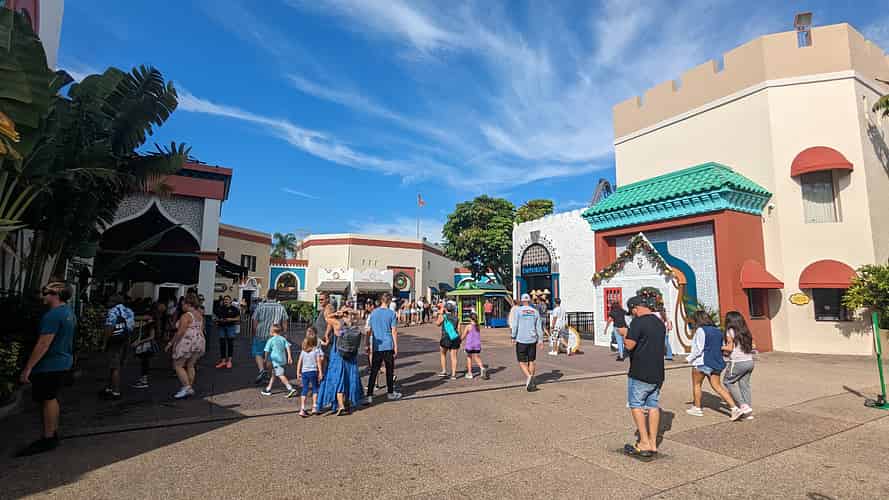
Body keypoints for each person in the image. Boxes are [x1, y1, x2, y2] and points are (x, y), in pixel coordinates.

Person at [16, 281, 76, 456]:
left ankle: (48, 437)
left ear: (55, 295)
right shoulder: (68, 312)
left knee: (47, 399)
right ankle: (52, 432)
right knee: (51, 398)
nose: (42, 296)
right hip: (62, 361)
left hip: (50, 364)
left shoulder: (53, 315)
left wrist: (28, 368)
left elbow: (43, 344)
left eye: (46, 292)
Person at [618, 296, 666, 459]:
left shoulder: (638, 322)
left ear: (635, 309)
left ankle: (644, 442)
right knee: (653, 405)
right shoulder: (659, 322)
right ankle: (653, 443)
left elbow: (629, 345)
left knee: (636, 404)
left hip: (640, 371)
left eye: (632, 311)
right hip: (657, 372)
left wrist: (625, 334)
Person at [685, 310, 743, 421]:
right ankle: (734, 408)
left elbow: (699, 349)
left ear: (697, 320)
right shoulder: (718, 331)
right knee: (717, 386)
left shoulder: (700, 330)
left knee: (697, 385)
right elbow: (720, 346)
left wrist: (689, 358)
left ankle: (697, 408)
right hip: (716, 362)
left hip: (702, 362)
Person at [317, 308, 364, 415]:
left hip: (338, 355)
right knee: (348, 378)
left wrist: (336, 313)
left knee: (338, 379)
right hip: (351, 356)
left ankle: (341, 405)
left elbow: (327, 318)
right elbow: (359, 315)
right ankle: (347, 403)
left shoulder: (338, 324)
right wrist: (350, 311)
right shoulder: (354, 324)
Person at [166, 293, 206, 399]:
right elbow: (201, 329)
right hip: (198, 340)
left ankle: (186, 387)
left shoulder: (186, 315)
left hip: (187, 341)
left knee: (178, 365)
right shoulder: (199, 315)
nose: (182, 306)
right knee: (191, 365)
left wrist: (171, 343)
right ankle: (189, 387)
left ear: (188, 304)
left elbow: (180, 332)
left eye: (183, 304)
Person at [365, 293, 402, 404]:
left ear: (381, 300)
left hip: (377, 345)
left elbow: (369, 330)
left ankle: (369, 395)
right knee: (389, 370)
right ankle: (390, 393)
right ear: (389, 301)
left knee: (374, 371)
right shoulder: (391, 313)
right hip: (387, 344)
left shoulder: (373, 313)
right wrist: (396, 346)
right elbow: (394, 331)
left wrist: (367, 344)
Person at [100, 295, 135, 400]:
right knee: (117, 364)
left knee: (114, 366)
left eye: (109, 301)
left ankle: (115, 391)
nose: (108, 303)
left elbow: (109, 328)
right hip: (125, 340)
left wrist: (104, 343)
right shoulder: (129, 311)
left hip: (114, 341)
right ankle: (109, 388)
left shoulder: (112, 311)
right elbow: (131, 327)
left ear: (114, 302)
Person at [251, 289, 289, 384]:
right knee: (270, 355)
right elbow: (284, 322)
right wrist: (284, 333)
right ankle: (268, 373)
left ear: (267, 296)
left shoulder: (260, 306)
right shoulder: (281, 307)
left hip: (260, 333)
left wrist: (254, 332)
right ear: (276, 297)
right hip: (275, 335)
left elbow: (255, 320)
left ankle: (261, 370)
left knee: (258, 352)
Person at [722, 311, 755, 419]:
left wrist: (719, 347)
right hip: (749, 361)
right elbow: (753, 346)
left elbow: (729, 348)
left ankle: (743, 405)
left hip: (737, 362)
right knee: (744, 385)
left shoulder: (730, 331)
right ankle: (748, 412)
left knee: (727, 382)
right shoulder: (745, 331)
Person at [511, 293, 542, 392]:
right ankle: (531, 380)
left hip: (521, 339)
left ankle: (529, 377)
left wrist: (513, 336)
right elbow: (539, 327)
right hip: (532, 339)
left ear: (522, 301)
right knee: (531, 360)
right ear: (529, 301)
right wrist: (540, 340)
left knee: (521, 361)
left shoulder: (518, 311)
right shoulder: (535, 311)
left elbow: (515, 325)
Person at [131, 305, 161, 390]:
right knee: (144, 362)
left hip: (146, 346)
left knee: (145, 362)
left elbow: (151, 337)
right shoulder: (150, 322)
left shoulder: (150, 323)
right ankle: (143, 379)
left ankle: (144, 381)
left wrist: (139, 342)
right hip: (146, 345)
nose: (143, 316)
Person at [261, 324, 296, 397]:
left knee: (280, 375)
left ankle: (290, 388)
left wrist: (265, 359)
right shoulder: (283, 339)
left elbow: (266, 351)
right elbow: (288, 347)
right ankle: (268, 388)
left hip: (276, 361)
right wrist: (289, 356)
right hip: (283, 359)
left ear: (271, 331)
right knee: (274, 374)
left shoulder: (270, 340)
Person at [297, 328, 324, 416]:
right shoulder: (316, 350)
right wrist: (320, 372)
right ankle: (314, 407)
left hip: (304, 372)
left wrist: (298, 372)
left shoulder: (303, 351)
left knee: (304, 389)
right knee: (315, 388)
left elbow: (299, 362)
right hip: (313, 371)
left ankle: (302, 408)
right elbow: (319, 363)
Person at [435, 302, 461, 379]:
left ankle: (444, 371)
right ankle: (453, 374)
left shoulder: (444, 316)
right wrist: (460, 339)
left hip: (445, 337)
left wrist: (440, 313)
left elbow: (437, 323)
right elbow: (459, 331)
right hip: (454, 338)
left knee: (443, 354)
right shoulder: (457, 318)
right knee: (454, 357)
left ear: (445, 309)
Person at [215, 295, 240, 369]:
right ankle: (223, 361)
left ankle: (229, 361)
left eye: (227, 299)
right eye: (225, 299)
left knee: (230, 343)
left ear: (230, 301)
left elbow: (238, 318)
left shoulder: (234, 309)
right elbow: (216, 317)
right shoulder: (220, 308)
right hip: (221, 327)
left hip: (230, 327)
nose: (225, 301)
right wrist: (218, 320)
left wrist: (230, 319)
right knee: (222, 344)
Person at [461, 312, 488, 380]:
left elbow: (463, 335)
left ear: (470, 318)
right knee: (477, 357)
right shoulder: (478, 326)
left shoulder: (468, 326)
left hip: (470, 345)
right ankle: (482, 368)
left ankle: (470, 373)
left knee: (469, 357)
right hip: (477, 345)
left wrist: (459, 340)